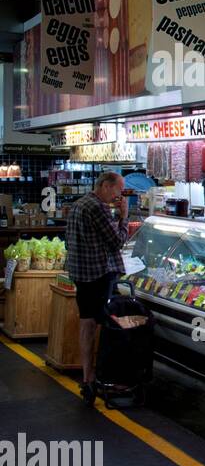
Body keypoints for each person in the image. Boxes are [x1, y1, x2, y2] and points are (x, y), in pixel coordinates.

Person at [66, 171, 129, 404]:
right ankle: (107, 377)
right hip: (99, 275)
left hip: (82, 275)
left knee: (87, 322)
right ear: (105, 186)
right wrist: (123, 217)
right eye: (118, 190)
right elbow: (117, 241)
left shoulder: (79, 205)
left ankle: (88, 377)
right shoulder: (97, 208)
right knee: (109, 325)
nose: (119, 195)